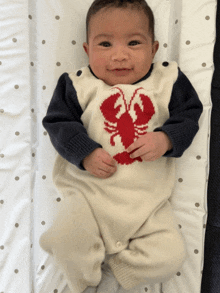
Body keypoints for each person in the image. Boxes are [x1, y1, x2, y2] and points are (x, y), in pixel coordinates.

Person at [40, 0, 203, 292]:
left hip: (147, 207)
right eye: (105, 44)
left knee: (170, 256)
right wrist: (85, 152)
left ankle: (117, 269)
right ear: (87, 50)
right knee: (68, 238)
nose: (119, 55)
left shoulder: (168, 80)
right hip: (87, 198)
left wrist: (165, 138)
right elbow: (58, 122)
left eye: (134, 42)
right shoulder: (77, 84)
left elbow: (189, 116)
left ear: (153, 49)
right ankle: (85, 281)